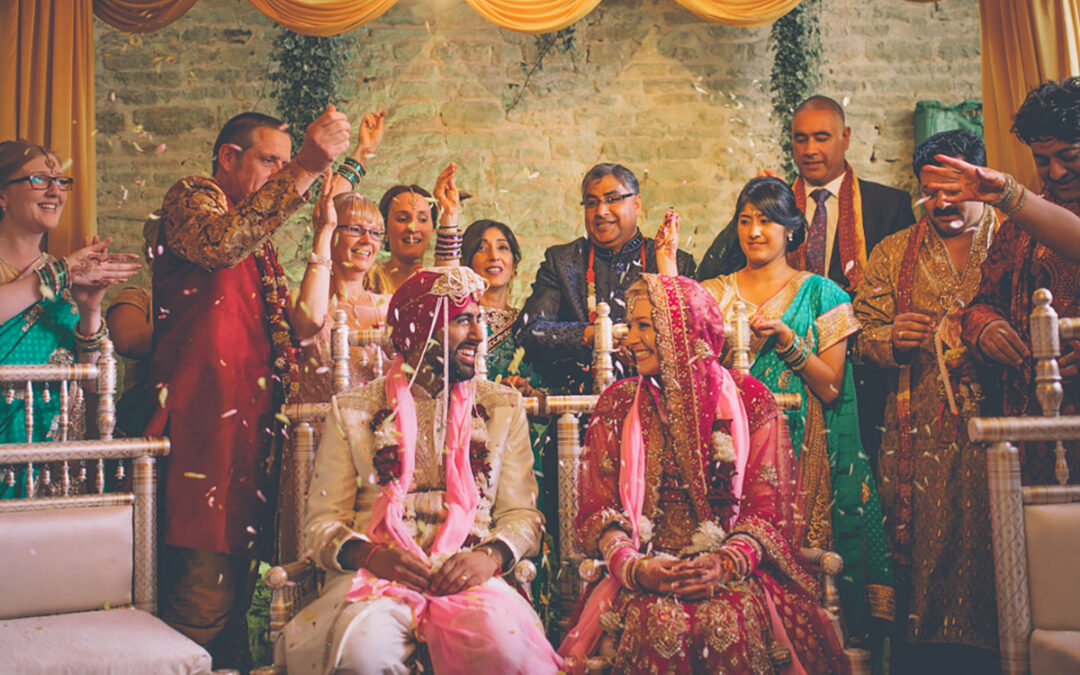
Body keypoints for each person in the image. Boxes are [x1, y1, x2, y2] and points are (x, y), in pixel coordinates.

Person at [279, 267, 563, 675]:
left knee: (505, 651)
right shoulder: (355, 409)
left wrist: (490, 556)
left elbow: (522, 516)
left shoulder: (501, 407)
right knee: (362, 656)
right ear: (420, 330)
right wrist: (370, 556)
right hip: (374, 583)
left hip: (472, 577)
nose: (479, 334)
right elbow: (322, 524)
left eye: (479, 319)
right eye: (463, 320)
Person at [560, 274, 846, 674]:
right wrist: (637, 568)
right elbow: (599, 513)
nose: (631, 339)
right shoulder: (620, 403)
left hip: (733, 571)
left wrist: (724, 564)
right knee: (660, 621)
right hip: (643, 570)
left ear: (683, 332)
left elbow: (767, 512)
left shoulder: (749, 399)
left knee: (725, 619)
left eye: (645, 326)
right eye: (630, 325)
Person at [147, 107, 350, 669]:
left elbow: (293, 327)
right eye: (270, 161)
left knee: (237, 598)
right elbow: (220, 245)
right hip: (202, 434)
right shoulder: (191, 198)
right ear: (228, 158)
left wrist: (334, 189)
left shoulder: (253, 236)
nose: (281, 172)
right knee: (201, 599)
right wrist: (307, 164)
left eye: (286, 163)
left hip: (247, 433)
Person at [699, 177, 894, 641]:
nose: (754, 231)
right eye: (745, 220)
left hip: (802, 458)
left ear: (791, 229)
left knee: (805, 574)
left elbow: (831, 387)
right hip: (730, 456)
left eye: (766, 221)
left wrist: (789, 342)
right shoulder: (711, 293)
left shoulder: (824, 295)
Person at [699, 96, 916, 473]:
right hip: (766, 399)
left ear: (845, 137)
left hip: (862, 381)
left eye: (821, 137)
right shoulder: (773, 205)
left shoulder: (888, 205)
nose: (810, 149)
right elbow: (718, 271)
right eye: (801, 139)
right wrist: (761, 202)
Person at [853, 130, 999, 673]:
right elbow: (858, 337)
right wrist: (891, 340)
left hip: (1004, 435)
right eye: (929, 192)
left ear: (980, 182)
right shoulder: (895, 252)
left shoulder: (1013, 240)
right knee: (922, 568)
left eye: (953, 191)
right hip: (918, 444)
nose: (940, 203)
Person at [0, 140, 140, 495]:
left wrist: (90, 309)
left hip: (54, 466)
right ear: (2, 196)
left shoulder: (66, 277)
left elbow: (93, 385)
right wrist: (61, 272)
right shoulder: (62, 273)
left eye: (61, 181)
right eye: (39, 180)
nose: (55, 191)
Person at [961, 77, 1080, 486]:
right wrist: (987, 329)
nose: (1056, 172)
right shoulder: (1021, 226)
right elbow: (980, 304)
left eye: (1068, 156)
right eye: (1042, 161)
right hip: (1031, 427)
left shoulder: (1026, 210)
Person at [521, 163, 696, 395]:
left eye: (612, 200)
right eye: (591, 203)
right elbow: (530, 331)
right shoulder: (563, 261)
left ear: (637, 203)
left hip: (656, 401)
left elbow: (692, 340)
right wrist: (591, 335)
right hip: (577, 405)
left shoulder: (673, 262)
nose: (601, 211)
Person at [290, 179, 392, 403]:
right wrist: (324, 231)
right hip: (319, 422)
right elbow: (310, 320)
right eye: (355, 230)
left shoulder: (389, 305)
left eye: (376, 233)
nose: (367, 240)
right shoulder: (301, 300)